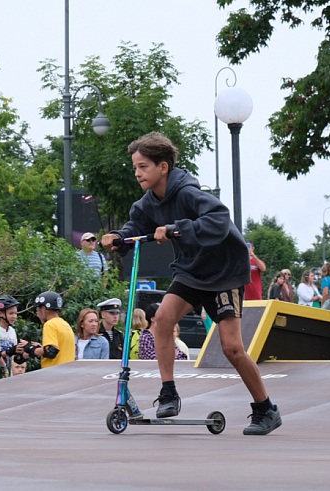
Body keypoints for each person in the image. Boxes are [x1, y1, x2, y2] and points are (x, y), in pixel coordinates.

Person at [102, 132, 281, 435]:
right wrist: (120, 237)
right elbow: (137, 226)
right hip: (190, 272)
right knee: (161, 319)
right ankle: (169, 391)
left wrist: (175, 229)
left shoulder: (188, 193)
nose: (137, 173)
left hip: (224, 273)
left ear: (163, 167)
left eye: (143, 167)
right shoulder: (148, 202)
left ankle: (265, 409)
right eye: (135, 167)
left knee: (232, 348)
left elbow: (220, 218)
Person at [34, 291, 75, 368]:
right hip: (67, 373)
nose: (37, 315)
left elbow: (51, 351)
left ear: (43, 309)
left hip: (53, 375)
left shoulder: (50, 325)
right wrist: (40, 348)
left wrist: (31, 349)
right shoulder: (66, 325)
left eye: (37, 311)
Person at [0, 295, 28, 376]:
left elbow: (14, 358)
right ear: (0, 313)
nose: (14, 316)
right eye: (11, 313)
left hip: (8, 375)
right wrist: (10, 351)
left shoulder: (12, 331)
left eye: (16, 313)